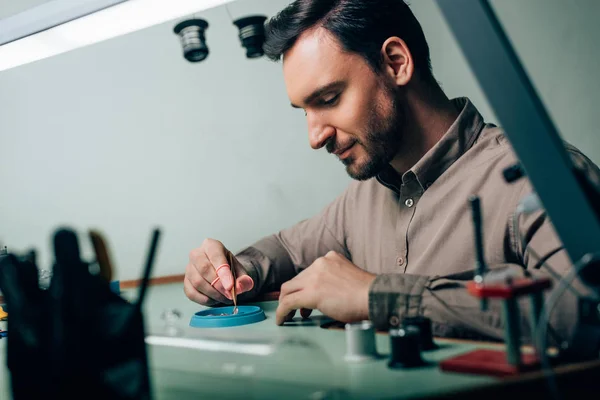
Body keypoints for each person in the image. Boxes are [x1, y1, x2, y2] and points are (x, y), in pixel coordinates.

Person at [184, 0, 600, 342]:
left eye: (328, 98)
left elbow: (584, 309)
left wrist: (377, 296)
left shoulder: (540, 179)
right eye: (304, 111)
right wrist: (233, 271)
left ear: (396, 62)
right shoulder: (360, 202)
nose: (314, 137)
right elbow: (287, 250)